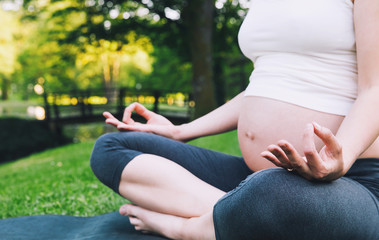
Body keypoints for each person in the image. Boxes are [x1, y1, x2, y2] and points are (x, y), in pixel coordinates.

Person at [90, 0, 379, 239]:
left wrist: (341, 157)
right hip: (256, 176)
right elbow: (265, 84)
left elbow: (375, 88)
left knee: (272, 193)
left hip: (351, 181)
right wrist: (182, 131)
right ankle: (239, 215)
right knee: (112, 148)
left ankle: (190, 228)